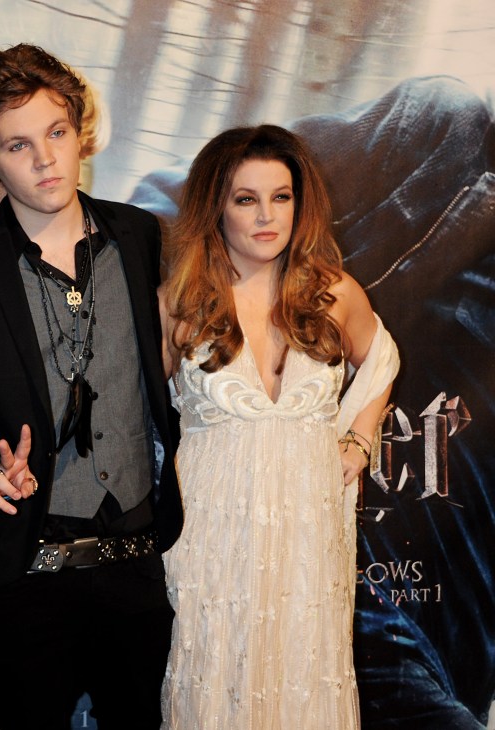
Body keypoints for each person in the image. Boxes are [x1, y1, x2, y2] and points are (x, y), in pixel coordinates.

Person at [0, 44, 184, 729]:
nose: (44, 159)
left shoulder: (140, 235)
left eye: (57, 133)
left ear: (80, 130)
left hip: (138, 563)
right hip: (22, 569)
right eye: (18, 145)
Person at [157, 124, 399, 728]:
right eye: (246, 198)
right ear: (217, 207)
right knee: (213, 678)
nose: (267, 215)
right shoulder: (179, 303)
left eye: (281, 196)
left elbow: (383, 359)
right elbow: (130, 412)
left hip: (308, 532)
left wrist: (360, 438)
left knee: (304, 677)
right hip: (210, 533)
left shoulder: (334, 294)